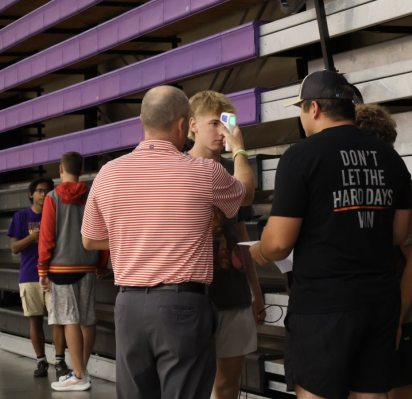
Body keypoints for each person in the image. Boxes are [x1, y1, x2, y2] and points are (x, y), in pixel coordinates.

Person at [81, 85, 255, 399]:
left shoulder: (108, 173)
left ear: (142, 121)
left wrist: (135, 235)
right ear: (181, 125)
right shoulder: (204, 171)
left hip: (129, 304)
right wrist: (239, 148)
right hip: (182, 304)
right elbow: (246, 192)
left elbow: (90, 239)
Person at [249, 71, 412, 399]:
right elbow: (398, 234)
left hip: (325, 305)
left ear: (313, 109)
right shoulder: (391, 158)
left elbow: (280, 243)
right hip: (379, 300)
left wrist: (260, 252)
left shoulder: (301, 155)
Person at [187, 90, 265, 399]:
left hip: (232, 292)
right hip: (192, 295)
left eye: (227, 124)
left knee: (227, 385)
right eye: (214, 124)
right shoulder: (180, 169)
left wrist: (255, 291)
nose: (223, 133)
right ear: (192, 126)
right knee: (191, 384)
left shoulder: (235, 176)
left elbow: (242, 236)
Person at [355, 104, 412, 399]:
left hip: (402, 314)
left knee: (400, 393)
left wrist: (394, 320)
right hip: (362, 312)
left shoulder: (405, 191)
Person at [38, 152, 109, 391]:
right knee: (87, 319)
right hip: (87, 266)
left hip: (60, 267)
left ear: (60, 169)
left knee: (69, 319)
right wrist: (101, 263)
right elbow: (102, 231)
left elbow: (47, 236)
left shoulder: (51, 197)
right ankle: (82, 370)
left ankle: (78, 375)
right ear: (82, 169)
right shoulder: (92, 196)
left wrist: (42, 268)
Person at [7, 178, 68, 379]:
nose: (43, 194)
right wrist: (32, 238)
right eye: (39, 191)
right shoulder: (21, 216)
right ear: (31, 194)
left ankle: (60, 361)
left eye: (47, 191)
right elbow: (14, 248)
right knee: (35, 321)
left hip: (53, 276)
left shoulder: (58, 214)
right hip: (29, 275)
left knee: (57, 321)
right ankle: (41, 361)